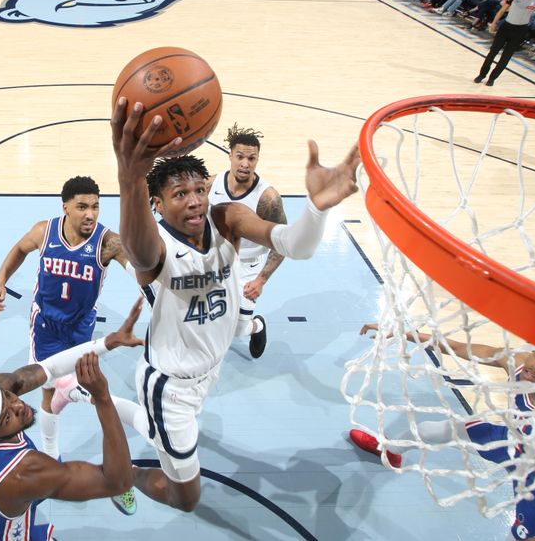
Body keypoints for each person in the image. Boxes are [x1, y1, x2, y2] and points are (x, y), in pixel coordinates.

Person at [105, 97, 360, 513]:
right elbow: (136, 245)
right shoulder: (153, 245)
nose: (194, 200)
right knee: (185, 498)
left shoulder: (228, 218)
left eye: (199, 190)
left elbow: (296, 246)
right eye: (179, 193)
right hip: (170, 385)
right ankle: (120, 475)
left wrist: (315, 209)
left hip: (209, 370)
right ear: (157, 204)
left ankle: (86, 393)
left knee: (157, 435)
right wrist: (129, 178)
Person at [0, 301, 145, 541]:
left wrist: (105, 343)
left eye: (7, 396)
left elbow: (46, 369)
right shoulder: (22, 472)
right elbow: (117, 482)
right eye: (7, 417)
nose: (18, 405)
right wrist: (102, 399)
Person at [350, 323, 535, 540]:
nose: (534, 365)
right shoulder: (523, 367)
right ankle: (389, 450)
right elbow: (456, 348)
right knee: (428, 429)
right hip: (513, 443)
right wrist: (405, 332)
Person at [0, 176, 130, 464]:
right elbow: (19, 249)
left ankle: (113, 452)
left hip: (80, 327)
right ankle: (51, 452)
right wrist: (0, 281)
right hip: (45, 326)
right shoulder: (45, 231)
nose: (90, 214)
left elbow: (138, 271)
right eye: (82, 207)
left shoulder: (108, 242)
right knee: (48, 392)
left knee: (90, 388)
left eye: (95, 207)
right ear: (65, 207)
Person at [206, 124, 286, 359]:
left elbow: (282, 243)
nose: (245, 163)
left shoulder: (268, 198)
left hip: (248, 267)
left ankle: (257, 326)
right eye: (240, 156)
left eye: (252, 158)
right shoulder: (210, 184)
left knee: (239, 329)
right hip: (215, 260)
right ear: (229, 155)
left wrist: (262, 279)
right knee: (205, 317)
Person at [474, 0, 535, 86]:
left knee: (506, 56)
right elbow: (503, 10)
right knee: (493, 52)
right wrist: (494, 23)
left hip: (520, 30)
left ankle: (492, 78)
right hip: (506, 27)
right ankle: (482, 74)